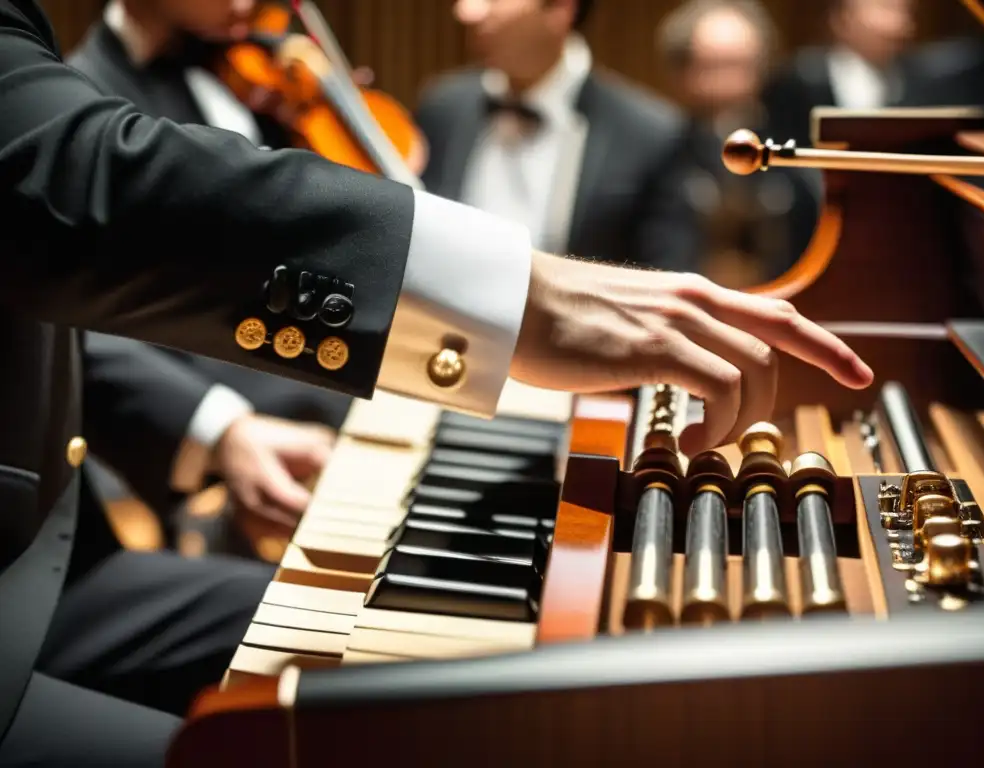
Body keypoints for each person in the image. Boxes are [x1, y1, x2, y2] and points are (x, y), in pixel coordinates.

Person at [0, 0, 873, 765]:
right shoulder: (446, 102)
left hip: (65, 572)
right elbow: (65, 184)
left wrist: (224, 431)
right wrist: (522, 299)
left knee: (453, 678)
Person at [66, 0, 360, 549]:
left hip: (347, 395)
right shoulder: (84, 103)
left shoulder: (262, 71)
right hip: (249, 448)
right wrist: (221, 429)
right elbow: (86, 326)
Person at [415, 0, 701, 271]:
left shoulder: (651, 135)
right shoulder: (442, 107)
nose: (467, 10)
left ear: (561, 8)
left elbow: (664, 283)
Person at [656, 0, 820, 287]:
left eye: (740, 65)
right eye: (712, 66)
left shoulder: (791, 159)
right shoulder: (658, 154)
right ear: (682, 71)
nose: (728, 81)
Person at [763, 0, 917, 148]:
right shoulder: (801, 77)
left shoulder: (917, 79)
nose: (899, 24)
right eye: (886, 8)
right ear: (843, 18)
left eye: (905, 11)